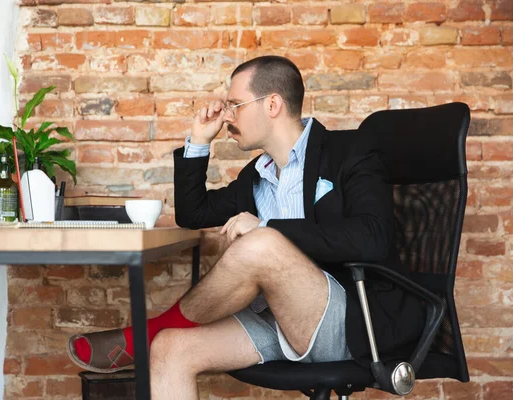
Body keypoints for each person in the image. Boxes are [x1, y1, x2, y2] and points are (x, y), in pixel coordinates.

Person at [67, 55, 425, 399]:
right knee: (169, 349)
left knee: (262, 243)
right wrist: (200, 141)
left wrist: (268, 228)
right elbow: (193, 214)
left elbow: (373, 239)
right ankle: (154, 337)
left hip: (349, 324)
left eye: (235, 105)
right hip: (275, 319)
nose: (227, 117)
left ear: (272, 105)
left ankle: (145, 332)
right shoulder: (256, 176)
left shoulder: (351, 151)